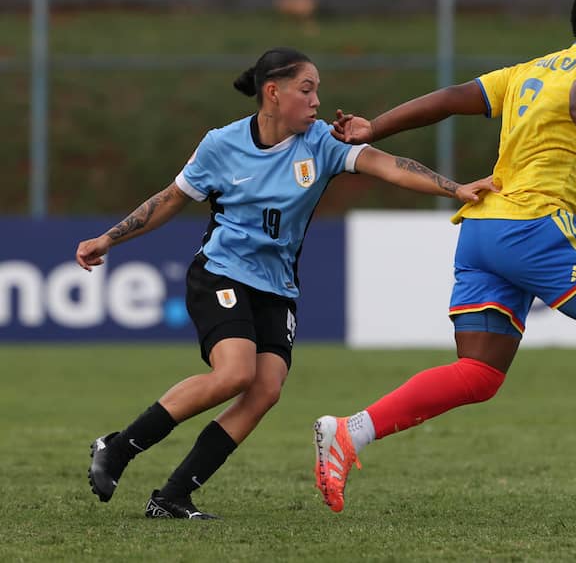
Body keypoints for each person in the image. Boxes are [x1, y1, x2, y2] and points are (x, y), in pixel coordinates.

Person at [313, 0, 576, 514]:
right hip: (533, 223)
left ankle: (351, 431)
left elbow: (450, 98)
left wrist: (374, 127)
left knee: (480, 372)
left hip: (482, 229)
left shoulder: (528, 71)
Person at [76, 47, 496, 520]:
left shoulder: (321, 143)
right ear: (273, 93)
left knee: (265, 389)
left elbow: (389, 165)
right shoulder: (221, 144)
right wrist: (109, 238)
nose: (317, 101)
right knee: (235, 374)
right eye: (306, 90)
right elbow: (171, 199)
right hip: (221, 272)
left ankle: (172, 497)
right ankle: (118, 449)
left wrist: (455, 188)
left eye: (317, 90)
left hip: (276, 287)